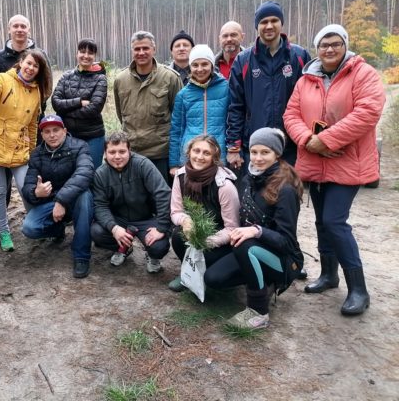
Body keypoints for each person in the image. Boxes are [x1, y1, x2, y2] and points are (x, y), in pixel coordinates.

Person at [283, 24, 385, 316]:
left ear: (345, 45)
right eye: (324, 44)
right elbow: (291, 114)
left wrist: (324, 140)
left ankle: (359, 289)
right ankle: (329, 275)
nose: (329, 49)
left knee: (334, 222)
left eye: (335, 43)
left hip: (347, 161)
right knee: (320, 222)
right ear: (317, 48)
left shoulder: (362, 73)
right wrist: (308, 141)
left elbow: (367, 112)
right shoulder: (307, 79)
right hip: (315, 162)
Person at [204, 128, 303, 329]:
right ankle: (260, 279)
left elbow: (287, 242)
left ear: (277, 153)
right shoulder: (249, 177)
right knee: (213, 279)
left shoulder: (286, 189)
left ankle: (259, 311)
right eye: (254, 151)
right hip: (252, 248)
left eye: (265, 152)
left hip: (283, 259)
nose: (257, 158)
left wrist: (256, 230)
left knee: (245, 244)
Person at [0, 48, 53, 252]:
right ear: (21, 62)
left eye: (35, 66)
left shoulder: (36, 91)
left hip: (19, 148)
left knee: (26, 186)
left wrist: (32, 151)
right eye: (28, 63)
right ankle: (3, 231)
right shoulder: (3, 78)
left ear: (39, 70)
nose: (30, 68)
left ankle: (38, 223)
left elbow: (31, 125)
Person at [226, 1, 310, 172]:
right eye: (264, 22)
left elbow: (310, 102)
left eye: (274, 21)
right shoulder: (243, 60)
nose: (269, 26)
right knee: (257, 196)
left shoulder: (299, 56)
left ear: (282, 23)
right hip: (256, 147)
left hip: (290, 147)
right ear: (257, 26)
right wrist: (234, 147)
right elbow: (235, 107)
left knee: (288, 195)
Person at [21, 115, 94, 278]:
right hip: (51, 203)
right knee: (29, 227)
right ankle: (58, 230)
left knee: (85, 196)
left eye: (56, 130)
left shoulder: (80, 146)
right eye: (47, 131)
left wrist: (61, 200)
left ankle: (81, 255)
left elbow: (85, 173)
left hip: (75, 199)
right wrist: (36, 192)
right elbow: (28, 185)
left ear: (64, 131)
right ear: (42, 135)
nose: (52, 135)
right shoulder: (37, 154)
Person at [91, 132, 172, 273]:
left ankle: (152, 256)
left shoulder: (143, 165)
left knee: (159, 247)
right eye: (112, 152)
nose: (117, 156)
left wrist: (162, 227)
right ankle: (123, 248)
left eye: (122, 151)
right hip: (119, 219)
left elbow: (163, 193)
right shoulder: (100, 174)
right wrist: (114, 228)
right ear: (105, 153)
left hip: (146, 218)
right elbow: (100, 205)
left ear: (129, 150)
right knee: (97, 232)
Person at [168, 135, 240, 291]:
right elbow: (175, 211)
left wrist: (205, 242)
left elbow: (232, 228)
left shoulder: (224, 186)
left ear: (214, 157)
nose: (199, 157)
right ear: (189, 152)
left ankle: (209, 273)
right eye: (196, 151)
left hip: (220, 238)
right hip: (194, 230)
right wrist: (186, 221)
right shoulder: (180, 176)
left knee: (210, 271)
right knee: (176, 235)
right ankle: (187, 273)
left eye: (206, 153)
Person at [114, 31, 182, 185]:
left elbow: (179, 118)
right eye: (137, 49)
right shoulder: (120, 80)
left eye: (146, 48)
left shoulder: (170, 78)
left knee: (162, 200)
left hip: (161, 153)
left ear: (154, 49)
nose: (141, 53)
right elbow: (121, 115)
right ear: (131, 51)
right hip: (132, 153)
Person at [168, 44, 230, 177]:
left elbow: (234, 121)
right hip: (192, 155)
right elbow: (176, 130)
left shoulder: (226, 88)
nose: (200, 69)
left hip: (219, 153)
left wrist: (234, 150)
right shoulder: (183, 94)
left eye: (204, 64)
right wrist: (174, 163)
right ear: (190, 67)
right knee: (191, 195)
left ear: (212, 65)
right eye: (195, 65)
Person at [51, 38, 108, 168]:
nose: (86, 56)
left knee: (92, 175)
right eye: (82, 51)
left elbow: (94, 108)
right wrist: (79, 102)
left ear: (95, 56)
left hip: (92, 136)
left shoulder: (100, 79)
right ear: (77, 53)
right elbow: (55, 103)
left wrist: (65, 112)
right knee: (68, 175)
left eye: (90, 53)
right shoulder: (66, 76)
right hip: (68, 136)